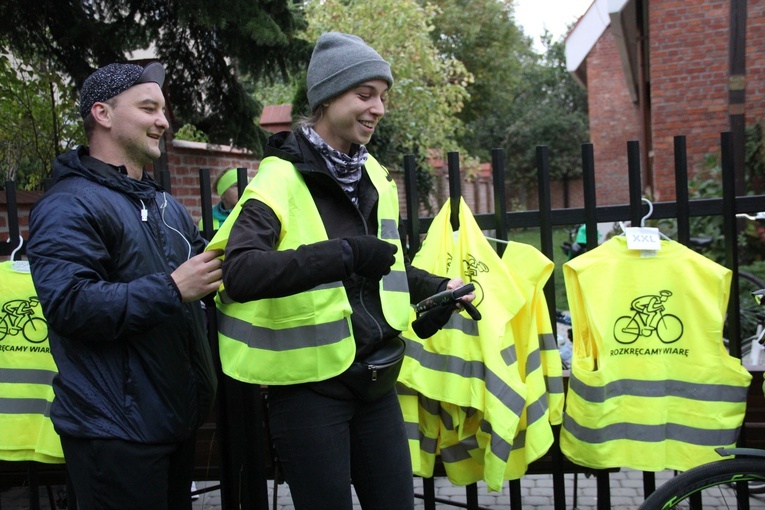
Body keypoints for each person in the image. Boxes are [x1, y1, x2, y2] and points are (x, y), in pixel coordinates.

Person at [207, 32, 474, 510]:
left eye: (383, 98)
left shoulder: (375, 176)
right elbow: (240, 273)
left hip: (376, 383)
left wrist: (437, 289)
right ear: (327, 98)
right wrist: (343, 254)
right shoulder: (279, 178)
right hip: (310, 394)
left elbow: (382, 265)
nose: (378, 109)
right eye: (365, 95)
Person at [26, 62, 221, 510]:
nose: (163, 121)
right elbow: (69, 304)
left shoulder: (167, 204)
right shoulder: (67, 205)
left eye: (164, 110)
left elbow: (207, 274)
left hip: (173, 424)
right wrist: (172, 289)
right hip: (112, 433)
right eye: (148, 108)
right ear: (103, 113)